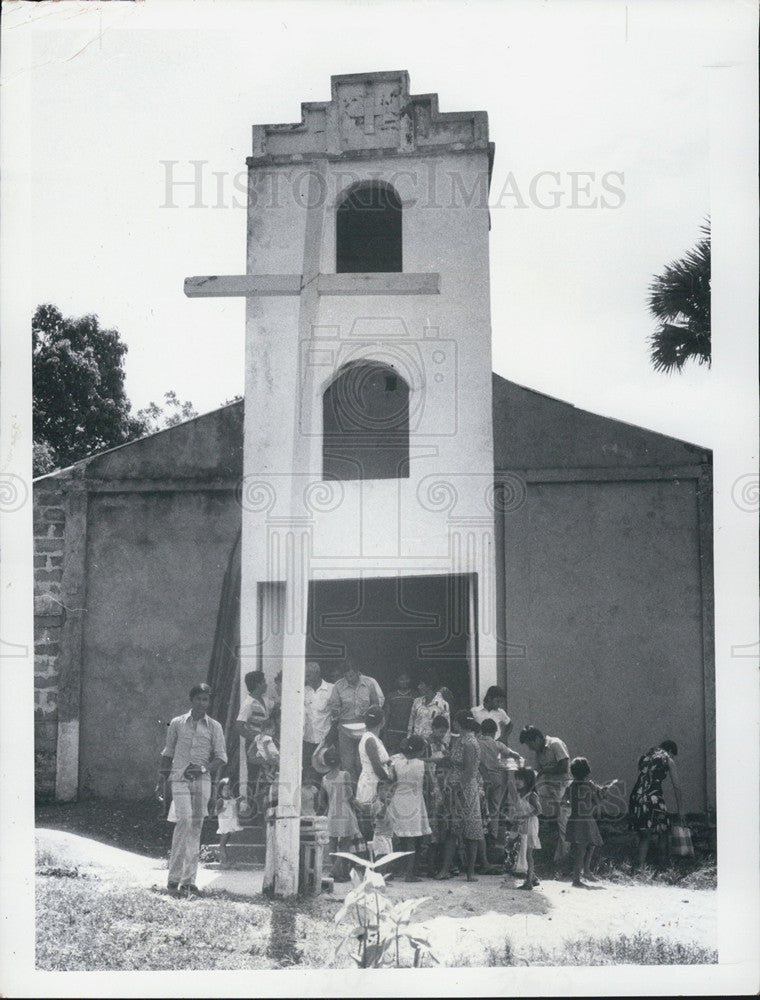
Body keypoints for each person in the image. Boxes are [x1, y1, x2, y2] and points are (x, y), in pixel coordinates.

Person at [159, 683, 227, 897]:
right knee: (184, 820)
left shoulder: (214, 726)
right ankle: (173, 878)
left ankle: (189, 881)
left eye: (206, 699)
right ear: (192, 700)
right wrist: (161, 780)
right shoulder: (178, 723)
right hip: (179, 778)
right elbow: (168, 752)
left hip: (201, 780)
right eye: (198, 698)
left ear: (209, 702)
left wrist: (203, 768)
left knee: (195, 826)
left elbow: (220, 758)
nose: (202, 703)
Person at [435, 709, 484, 882]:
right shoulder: (462, 740)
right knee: (453, 830)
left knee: (468, 829)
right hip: (456, 788)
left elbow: (470, 771)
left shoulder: (469, 742)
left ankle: (468, 872)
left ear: (458, 723)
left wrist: (457, 789)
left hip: (465, 790)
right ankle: (449, 870)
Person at [519, 725, 571, 874]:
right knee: (537, 815)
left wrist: (544, 771)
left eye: (530, 745)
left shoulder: (555, 744)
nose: (530, 749)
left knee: (563, 824)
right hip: (547, 788)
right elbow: (537, 772)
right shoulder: (539, 752)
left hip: (562, 787)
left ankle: (563, 862)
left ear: (537, 739)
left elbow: (564, 767)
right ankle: (541, 856)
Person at [563, 756, 620, 887]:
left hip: (575, 818)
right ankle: (577, 879)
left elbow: (566, 801)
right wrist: (603, 792)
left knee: (586, 846)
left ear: (572, 772)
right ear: (588, 771)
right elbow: (598, 801)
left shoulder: (571, 786)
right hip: (586, 820)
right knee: (584, 848)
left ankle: (585, 872)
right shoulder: (589, 785)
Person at [629, 739, 684, 871]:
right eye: (672, 754)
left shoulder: (645, 758)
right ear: (670, 751)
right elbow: (677, 787)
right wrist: (681, 809)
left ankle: (639, 868)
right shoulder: (667, 760)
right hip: (654, 799)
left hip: (637, 798)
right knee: (663, 832)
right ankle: (662, 867)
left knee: (644, 835)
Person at [327, 662, 384, 780]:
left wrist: (369, 714)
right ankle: (351, 792)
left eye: (351, 675)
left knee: (362, 761)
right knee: (347, 763)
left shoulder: (369, 683)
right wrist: (337, 711)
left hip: (364, 727)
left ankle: (362, 789)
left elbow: (375, 705)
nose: (348, 679)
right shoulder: (338, 686)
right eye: (346, 676)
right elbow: (334, 708)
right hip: (345, 728)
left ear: (358, 673)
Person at [387, 735, 431, 882]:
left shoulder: (396, 763)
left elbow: (392, 781)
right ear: (419, 751)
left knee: (395, 838)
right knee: (412, 839)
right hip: (414, 802)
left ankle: (390, 870)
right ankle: (409, 874)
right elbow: (429, 784)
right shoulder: (422, 764)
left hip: (397, 801)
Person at [318, 746, 361, 882]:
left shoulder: (324, 779)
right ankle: (335, 871)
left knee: (332, 843)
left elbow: (321, 801)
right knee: (345, 844)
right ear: (340, 760)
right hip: (345, 812)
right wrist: (359, 805)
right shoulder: (345, 775)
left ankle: (340, 873)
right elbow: (349, 795)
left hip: (332, 812)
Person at [477, 718, 522, 841]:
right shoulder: (497, 744)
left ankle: (481, 833)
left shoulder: (477, 743)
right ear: (495, 732)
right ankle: (494, 834)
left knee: (481, 807)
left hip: (482, 779)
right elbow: (512, 754)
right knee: (494, 807)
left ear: (482, 730)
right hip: (496, 778)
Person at [354, 706, 391, 841]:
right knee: (371, 822)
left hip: (375, 781)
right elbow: (376, 765)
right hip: (372, 782)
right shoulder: (369, 739)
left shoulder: (374, 738)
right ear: (382, 721)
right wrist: (388, 780)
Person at [507, 766, 542, 890]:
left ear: (528, 781)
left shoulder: (531, 795)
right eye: (516, 779)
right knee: (521, 850)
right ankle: (533, 877)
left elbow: (538, 810)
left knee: (528, 853)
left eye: (520, 779)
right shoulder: (519, 795)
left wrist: (525, 816)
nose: (517, 782)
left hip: (530, 825)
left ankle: (528, 882)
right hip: (522, 824)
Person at [303, 661, 334, 774]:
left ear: (317, 674)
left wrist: (330, 738)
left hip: (325, 739)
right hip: (307, 739)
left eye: (308, 675)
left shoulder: (331, 689)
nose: (306, 679)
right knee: (307, 773)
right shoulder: (303, 691)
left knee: (326, 772)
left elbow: (337, 716)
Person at [407, 673, 449, 741]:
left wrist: (444, 746)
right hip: (416, 744)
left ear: (429, 686)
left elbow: (446, 729)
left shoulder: (443, 705)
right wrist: (408, 739)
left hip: (433, 745)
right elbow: (410, 725)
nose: (418, 687)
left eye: (421, 684)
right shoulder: (417, 702)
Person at [234, 671, 269, 752]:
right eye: (264, 681)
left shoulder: (264, 699)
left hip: (265, 743)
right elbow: (239, 727)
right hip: (254, 745)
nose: (266, 684)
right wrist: (254, 739)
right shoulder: (248, 703)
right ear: (258, 684)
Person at [383, 671, 416, 755]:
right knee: (391, 757)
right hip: (393, 733)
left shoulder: (415, 696)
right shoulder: (391, 696)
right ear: (397, 680)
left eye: (406, 679)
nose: (404, 681)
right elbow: (387, 715)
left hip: (408, 734)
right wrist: (385, 733)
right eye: (401, 679)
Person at [215, 776, 243, 867]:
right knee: (222, 843)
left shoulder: (231, 799)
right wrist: (222, 809)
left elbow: (235, 806)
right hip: (225, 824)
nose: (227, 791)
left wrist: (239, 800)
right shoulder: (220, 800)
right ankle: (223, 861)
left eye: (228, 789)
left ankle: (227, 859)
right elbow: (216, 812)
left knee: (228, 840)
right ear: (220, 791)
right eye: (224, 789)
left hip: (232, 823)